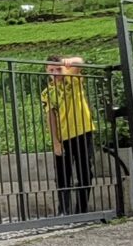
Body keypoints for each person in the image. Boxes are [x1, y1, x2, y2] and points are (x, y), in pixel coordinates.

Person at [41, 55, 97, 211]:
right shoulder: (47, 92)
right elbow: (50, 116)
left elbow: (79, 61)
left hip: (82, 132)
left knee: (85, 172)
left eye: (58, 68)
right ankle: (63, 210)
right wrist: (55, 142)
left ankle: (82, 209)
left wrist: (67, 61)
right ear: (47, 72)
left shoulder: (72, 79)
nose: (55, 73)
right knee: (62, 175)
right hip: (63, 136)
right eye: (51, 70)